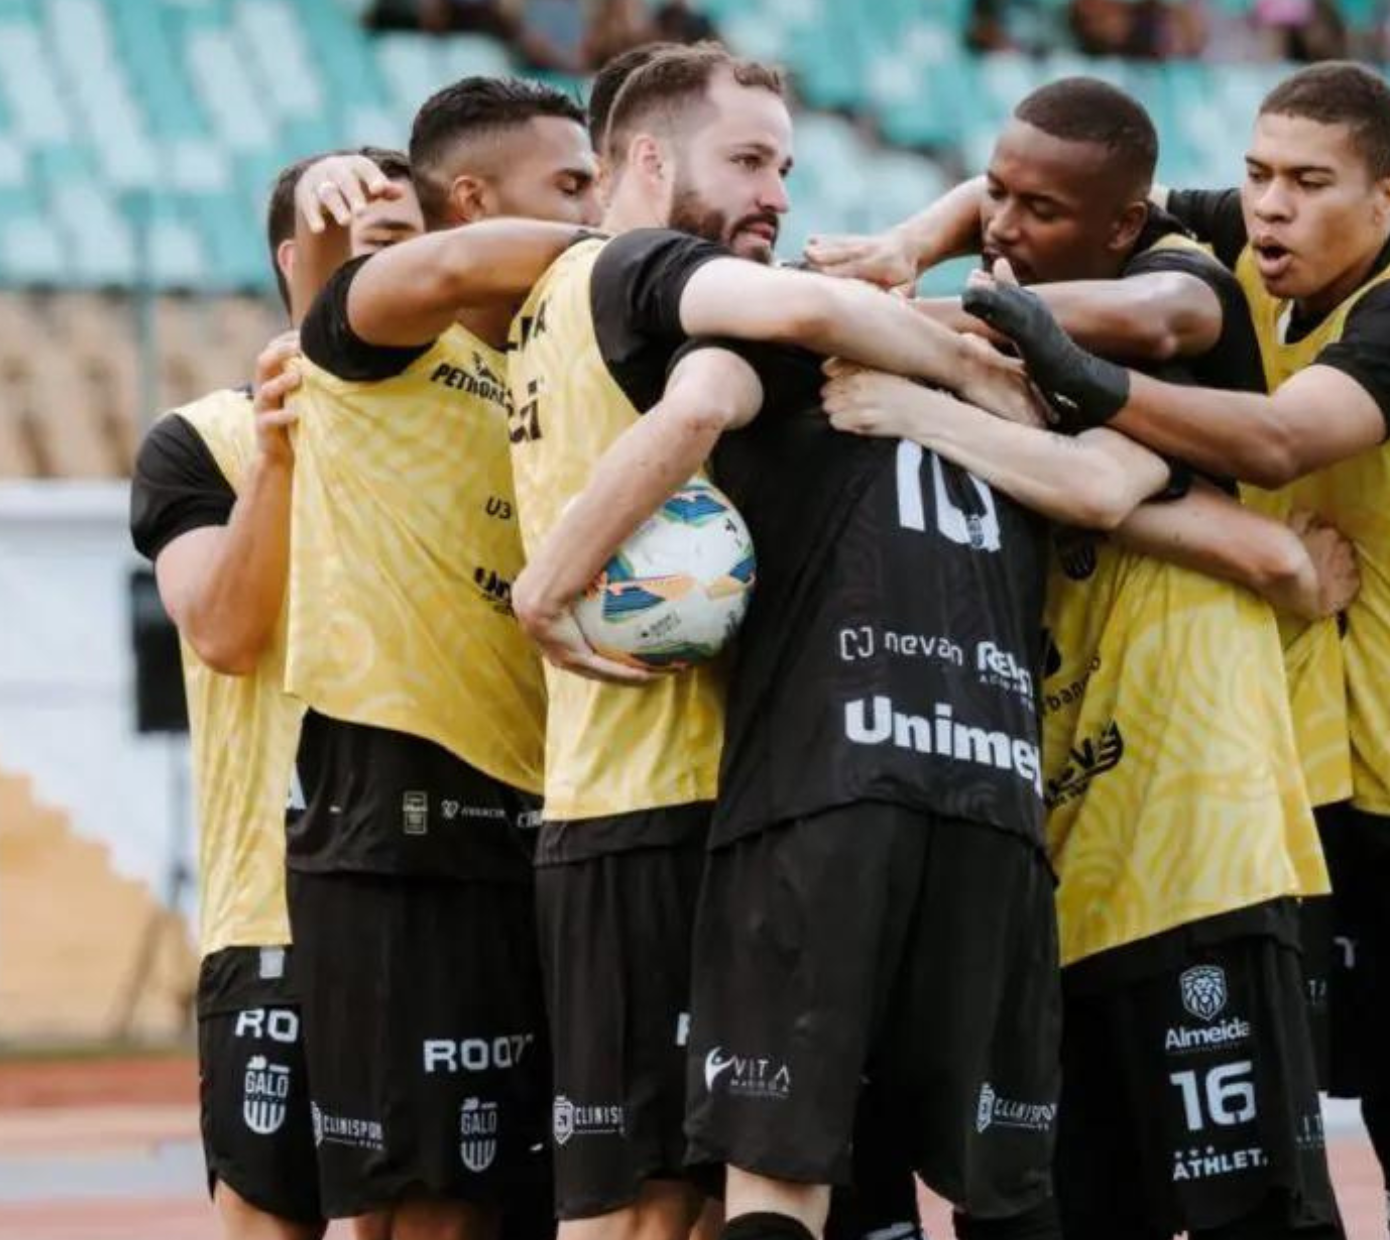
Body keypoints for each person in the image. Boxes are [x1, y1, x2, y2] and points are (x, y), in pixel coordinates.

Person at [910, 61, 1390, 1240]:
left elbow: (1272, 442)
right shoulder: (1257, 251)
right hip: (1330, 782)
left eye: (1308, 182)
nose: (1268, 205)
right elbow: (1024, 184)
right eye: (1257, 174)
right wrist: (895, 253)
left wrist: (1076, 373)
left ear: (1385, 196)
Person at [495, 42, 1045, 1240]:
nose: (779, 195)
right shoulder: (642, 264)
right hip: (675, 807)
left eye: (786, 165)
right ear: (644, 159)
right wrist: (547, 586)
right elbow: (789, 319)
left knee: (685, 1201)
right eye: (746, 159)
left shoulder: (537, 308)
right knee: (663, 1210)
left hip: (639, 798)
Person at [814, 76, 1348, 1240]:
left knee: (1244, 1211)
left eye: (1038, 212)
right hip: (1057, 841)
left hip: (1194, 835)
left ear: (1121, 222)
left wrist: (931, 352)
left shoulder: (1181, 293)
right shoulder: (1040, 259)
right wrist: (915, 243)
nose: (1002, 226)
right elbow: (1012, 196)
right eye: (994, 196)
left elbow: (1134, 404)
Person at [281, 78, 596, 1240]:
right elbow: (346, 282)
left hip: (538, 801)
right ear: (471, 199)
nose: (591, 205)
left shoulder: (538, 362)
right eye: (571, 185)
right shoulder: (376, 348)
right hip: (402, 797)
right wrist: (329, 213)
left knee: (502, 1196)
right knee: (421, 1200)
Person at [128, 148, 422, 1240]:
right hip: (280, 916)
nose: (397, 266)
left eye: (411, 238)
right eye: (360, 237)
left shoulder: (484, 426)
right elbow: (221, 630)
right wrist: (287, 445)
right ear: (297, 262)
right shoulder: (205, 439)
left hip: (458, 894)